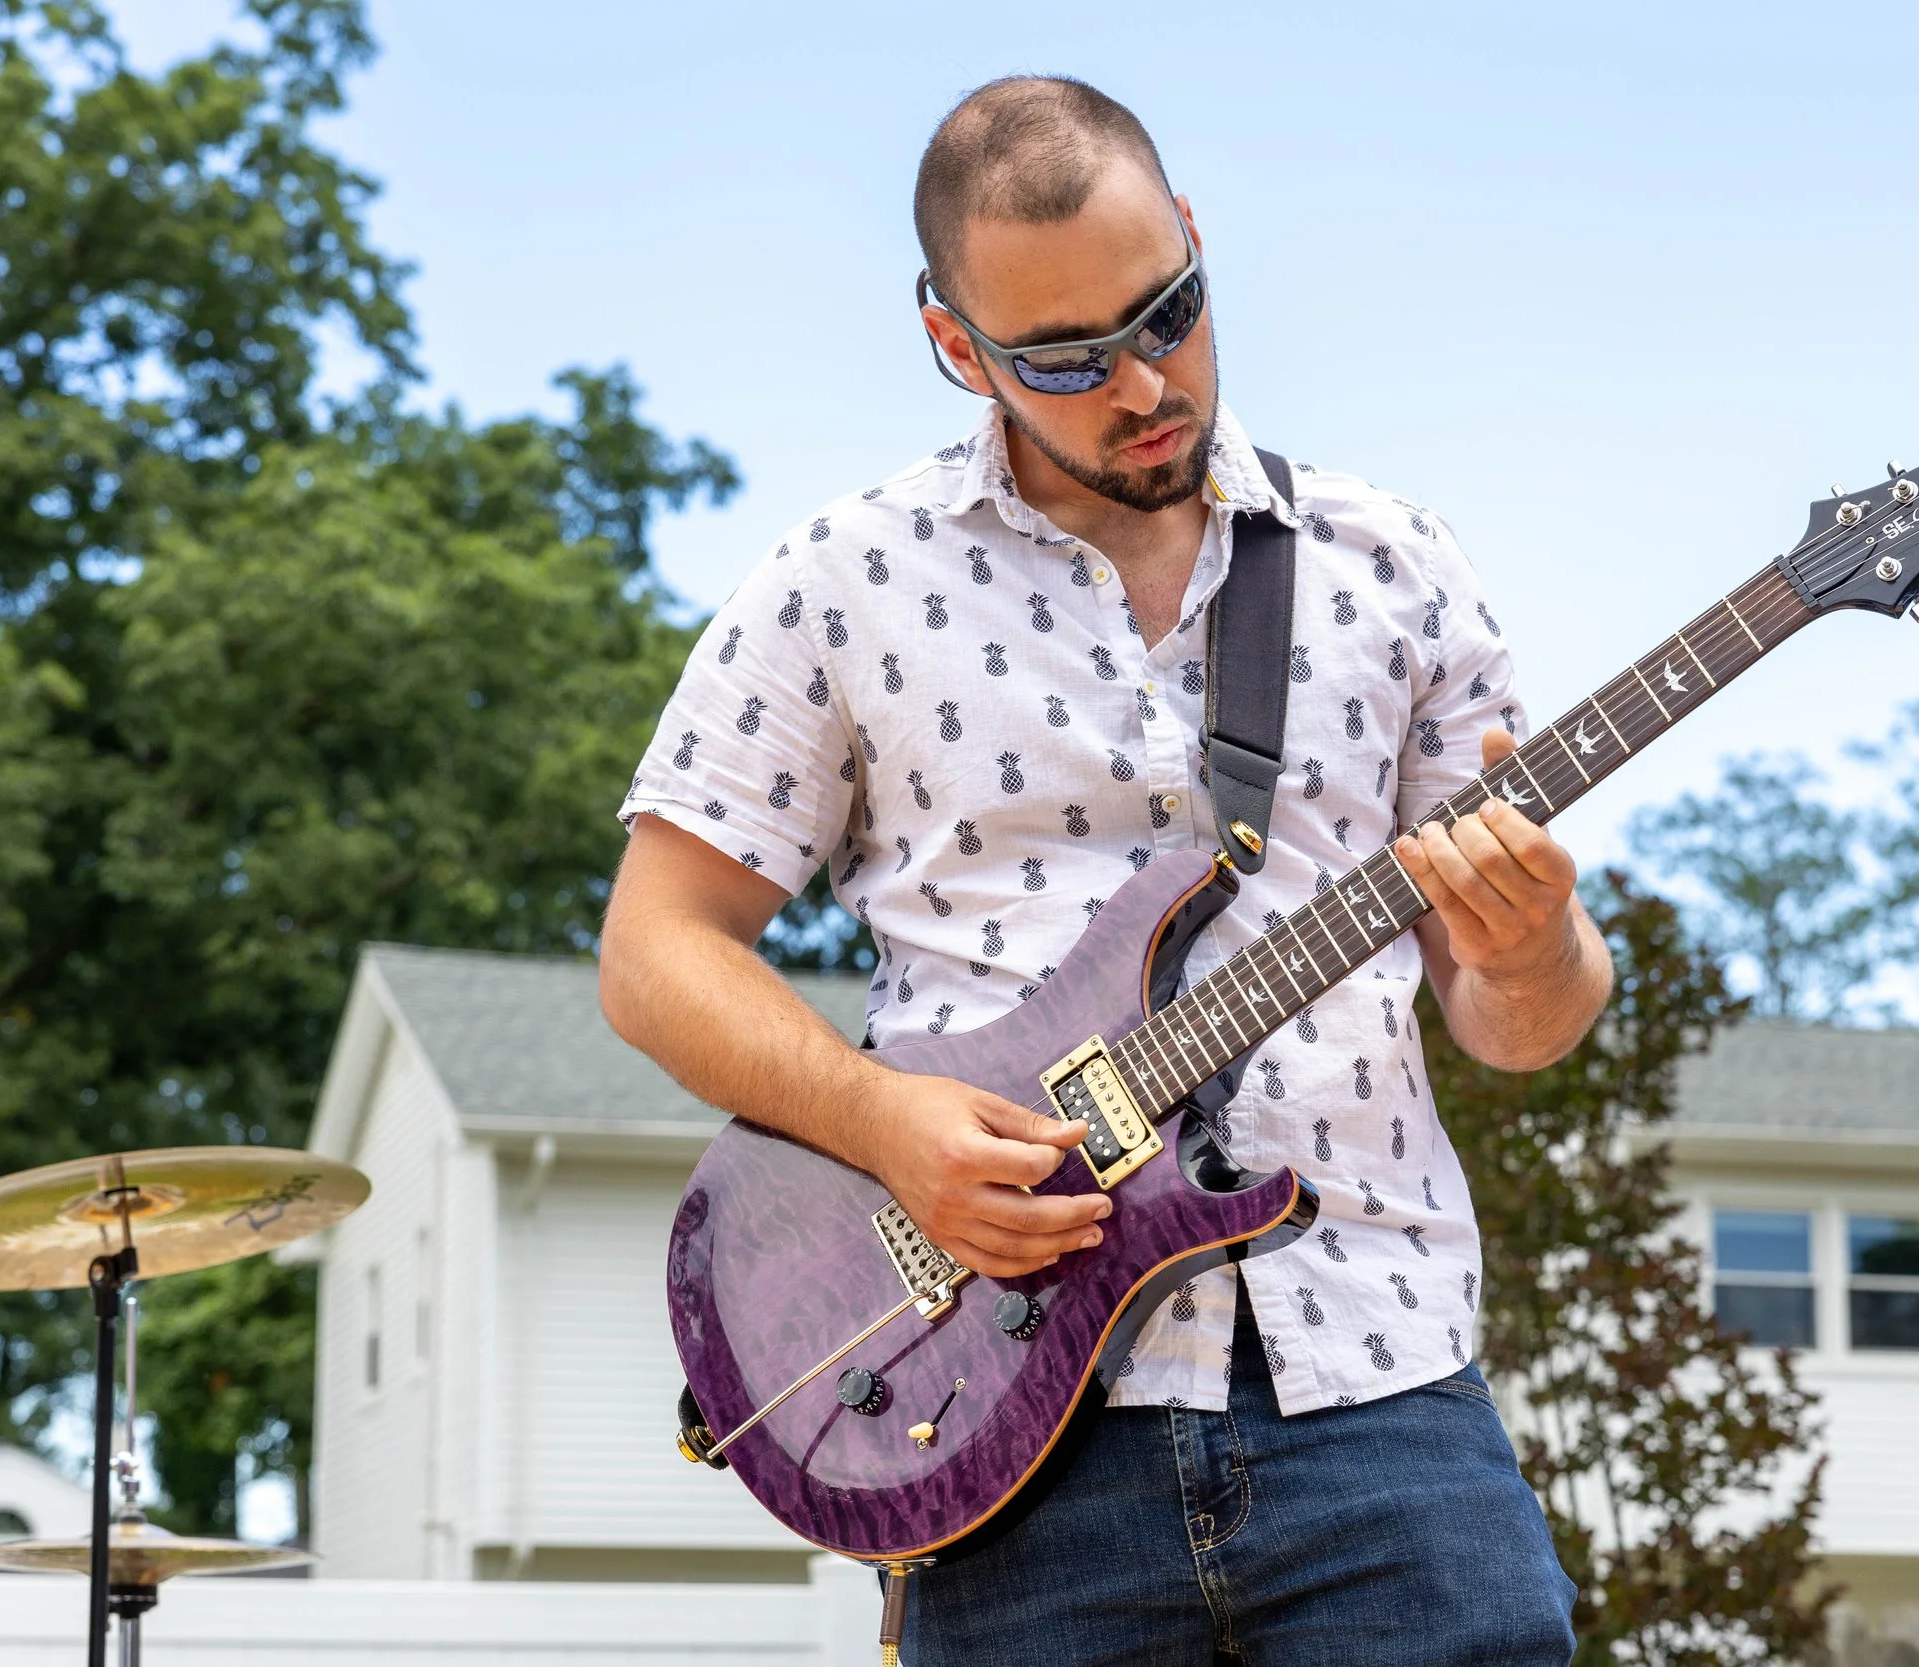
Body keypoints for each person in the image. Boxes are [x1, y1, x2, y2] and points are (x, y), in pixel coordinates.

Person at [600, 74, 1611, 1667]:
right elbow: (656, 950)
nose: (1143, 384)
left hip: (1378, 1376)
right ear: (956, 345)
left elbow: (1517, 1026)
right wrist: (884, 1124)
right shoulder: (839, 584)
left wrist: (1530, 944)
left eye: (1169, 314)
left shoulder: (1394, 567)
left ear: (1194, 238)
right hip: (1000, 1418)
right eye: (1066, 360)